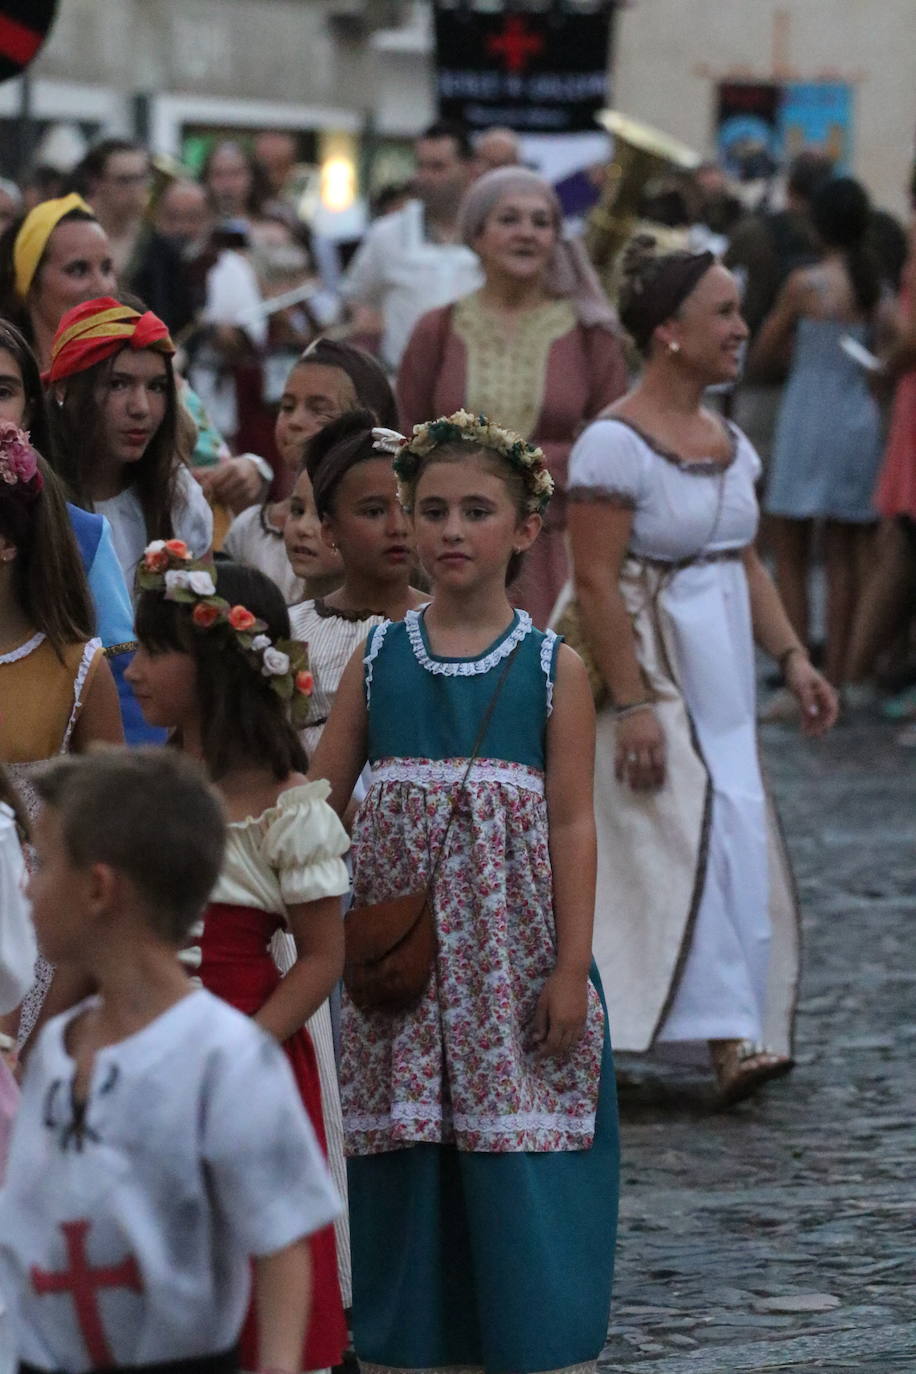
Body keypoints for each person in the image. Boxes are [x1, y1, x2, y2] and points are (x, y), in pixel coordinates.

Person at [310, 410, 618, 1374]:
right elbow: (321, 799)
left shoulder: (551, 667)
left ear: (526, 529)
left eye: (477, 511)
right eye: (432, 509)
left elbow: (572, 822)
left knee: (513, 1141)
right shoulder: (381, 657)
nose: (450, 530)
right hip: (402, 967)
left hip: (508, 959)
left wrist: (570, 968)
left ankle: (531, 1337)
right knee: (404, 1144)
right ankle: (414, 1343)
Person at [562, 236, 838, 1103]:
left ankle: (729, 1022)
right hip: (651, 658)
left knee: (737, 823)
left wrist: (793, 656)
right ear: (668, 332)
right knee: (684, 832)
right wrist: (635, 702)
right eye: (723, 312)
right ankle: (720, 1037)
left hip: (719, 665)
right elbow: (597, 580)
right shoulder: (613, 445)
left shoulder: (727, 439)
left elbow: (743, 560)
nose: (742, 328)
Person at [0, 747, 341, 1373]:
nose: (26, 884)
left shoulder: (224, 1057)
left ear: (100, 889)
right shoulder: (53, 1054)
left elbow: (282, 1235)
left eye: (43, 864)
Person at [127, 554, 351, 1374]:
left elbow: (323, 956)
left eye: (156, 651)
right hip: (142, 1051)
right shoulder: (144, 788)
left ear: (216, 666)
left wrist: (245, 1051)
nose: (134, 666)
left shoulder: (288, 807)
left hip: (248, 1053)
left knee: (252, 1247)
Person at [397, 166, 628, 627]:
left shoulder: (589, 333)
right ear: (476, 235)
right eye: (509, 220)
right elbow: (405, 438)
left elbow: (617, 449)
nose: (527, 233)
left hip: (555, 548)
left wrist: (533, 470)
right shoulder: (437, 328)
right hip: (453, 545)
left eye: (541, 222)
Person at [0, 419, 123, 1050]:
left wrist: (45, 1032)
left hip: (34, 936)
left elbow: (114, 842)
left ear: (7, 544)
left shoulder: (78, 667)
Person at [751, 176, 895, 694]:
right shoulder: (875, 284)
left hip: (807, 416)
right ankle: (838, 670)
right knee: (842, 555)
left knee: (789, 549)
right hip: (857, 418)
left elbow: (763, 350)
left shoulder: (806, 285)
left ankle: (800, 675)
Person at [46, 296, 213, 589]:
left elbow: (200, 628)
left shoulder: (179, 497)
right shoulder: (31, 499)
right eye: (117, 384)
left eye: (157, 387)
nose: (142, 408)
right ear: (64, 388)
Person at [290, 411, 426, 763]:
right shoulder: (293, 631)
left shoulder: (448, 627)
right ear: (329, 530)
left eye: (409, 508)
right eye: (373, 511)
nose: (397, 527)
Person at [224, 338, 396, 603]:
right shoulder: (250, 529)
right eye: (288, 406)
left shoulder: (380, 533)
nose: (294, 422)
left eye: (318, 409)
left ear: (367, 420)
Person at [340, 120, 482, 371]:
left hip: (478, 386)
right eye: (420, 166)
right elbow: (357, 298)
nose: (424, 177)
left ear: (469, 170)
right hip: (406, 384)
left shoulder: (492, 232)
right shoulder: (386, 233)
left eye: (437, 167)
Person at [75, 136, 195, 336]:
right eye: (124, 180)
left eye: (142, 179)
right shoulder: (71, 236)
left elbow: (181, 316)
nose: (135, 189)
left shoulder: (161, 248)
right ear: (96, 182)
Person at [0, 193, 116, 368]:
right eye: (78, 270)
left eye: (106, 269)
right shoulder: (8, 385)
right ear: (31, 284)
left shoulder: (143, 377)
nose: (102, 286)